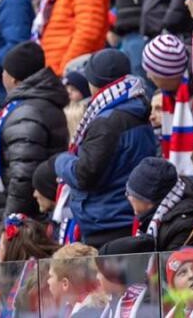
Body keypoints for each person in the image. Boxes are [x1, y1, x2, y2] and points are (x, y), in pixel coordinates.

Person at [54, 49, 157, 248]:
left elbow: (84, 175)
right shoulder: (135, 106)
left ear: (94, 82)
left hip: (107, 220)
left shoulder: (107, 121)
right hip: (124, 215)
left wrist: (61, 161)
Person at [0, 41, 69, 216]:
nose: (2, 75)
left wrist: (11, 221)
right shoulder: (35, 104)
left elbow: (23, 176)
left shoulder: (27, 113)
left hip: (26, 219)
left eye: (4, 71)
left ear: (14, 79)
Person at [124, 156, 193, 251]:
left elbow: (172, 260)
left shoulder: (182, 226)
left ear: (148, 200)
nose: (127, 197)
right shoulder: (155, 215)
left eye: (129, 193)